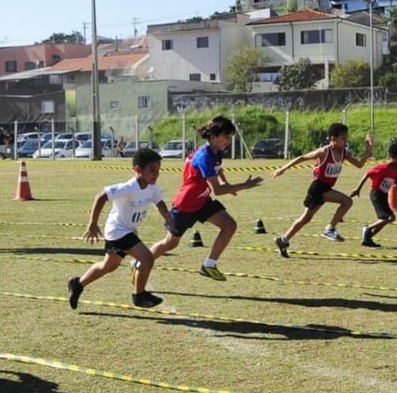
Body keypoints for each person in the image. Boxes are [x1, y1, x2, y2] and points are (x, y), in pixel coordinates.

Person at [146, 116, 263, 281]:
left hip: (202, 201)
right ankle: (140, 263)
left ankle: (209, 265)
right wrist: (244, 185)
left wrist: (225, 181)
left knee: (229, 225)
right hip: (186, 204)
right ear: (213, 137)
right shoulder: (204, 156)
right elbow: (217, 191)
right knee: (170, 243)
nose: (228, 141)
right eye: (226, 137)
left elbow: (218, 169)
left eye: (230, 137)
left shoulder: (216, 151)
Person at [67, 148, 172, 309]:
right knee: (147, 258)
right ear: (138, 169)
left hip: (126, 231)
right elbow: (101, 195)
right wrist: (93, 223)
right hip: (118, 231)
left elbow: (159, 202)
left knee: (109, 266)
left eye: (158, 171)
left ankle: (78, 284)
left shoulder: (152, 187)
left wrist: (169, 218)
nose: (156, 174)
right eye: (152, 170)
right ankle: (139, 295)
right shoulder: (128, 187)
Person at [271, 122, 372, 258]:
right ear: (333, 139)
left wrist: (368, 152)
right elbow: (302, 157)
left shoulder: (344, 153)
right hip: (318, 187)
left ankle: (283, 240)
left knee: (306, 218)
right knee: (347, 201)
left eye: (346, 138)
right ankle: (329, 229)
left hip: (326, 188)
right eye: (343, 138)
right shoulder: (324, 151)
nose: (345, 141)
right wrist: (282, 169)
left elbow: (359, 164)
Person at [349, 142, 397, 247]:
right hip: (376, 194)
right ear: (392, 156)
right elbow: (367, 173)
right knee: (388, 218)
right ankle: (367, 229)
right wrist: (358, 189)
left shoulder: (396, 170)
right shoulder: (383, 167)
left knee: (386, 219)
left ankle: (367, 238)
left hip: (383, 195)